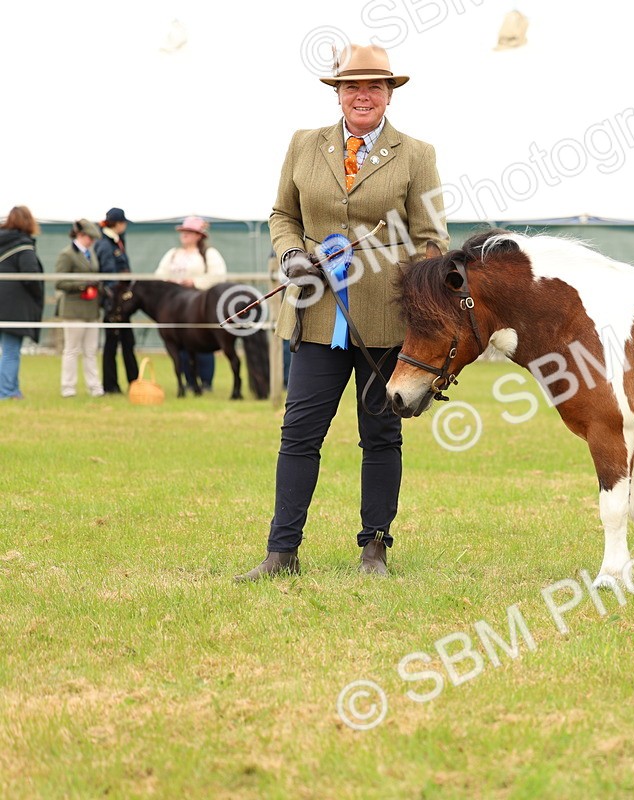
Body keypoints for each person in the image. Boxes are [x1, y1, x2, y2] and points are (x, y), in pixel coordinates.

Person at [235, 43, 447, 581]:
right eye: (352, 86)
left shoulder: (416, 155)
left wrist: (426, 316)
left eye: (374, 86)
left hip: (385, 320)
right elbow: (283, 213)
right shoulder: (304, 145)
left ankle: (374, 547)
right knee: (299, 433)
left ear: (389, 94)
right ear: (337, 92)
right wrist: (290, 255)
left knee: (380, 436)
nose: (363, 95)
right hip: (315, 315)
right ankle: (281, 552)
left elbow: (430, 241)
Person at [156, 215, 227, 391]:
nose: (185, 235)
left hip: (198, 305)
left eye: (189, 232)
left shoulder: (208, 254)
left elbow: (218, 276)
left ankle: (206, 381)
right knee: (179, 343)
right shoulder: (173, 254)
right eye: (184, 231)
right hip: (175, 307)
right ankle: (188, 380)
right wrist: (170, 283)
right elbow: (159, 275)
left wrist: (195, 282)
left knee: (202, 341)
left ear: (198, 235)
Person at [0, 206, 45, 400]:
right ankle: (7, 392)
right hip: (13, 308)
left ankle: (12, 389)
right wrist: (37, 296)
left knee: (8, 350)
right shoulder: (23, 246)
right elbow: (30, 276)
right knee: (11, 351)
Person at [56, 219, 104, 398]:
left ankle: (95, 387)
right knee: (72, 349)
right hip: (74, 309)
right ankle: (68, 387)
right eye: (89, 237)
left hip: (91, 309)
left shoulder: (90, 254)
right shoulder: (67, 255)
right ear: (80, 235)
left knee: (91, 350)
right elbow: (60, 282)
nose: (91, 241)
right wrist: (83, 285)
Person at [97, 207, 139, 393]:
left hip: (122, 302)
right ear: (118, 223)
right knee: (112, 344)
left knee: (128, 342)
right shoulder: (106, 245)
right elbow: (109, 275)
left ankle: (134, 382)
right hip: (113, 303)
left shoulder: (118, 242)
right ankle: (110, 385)